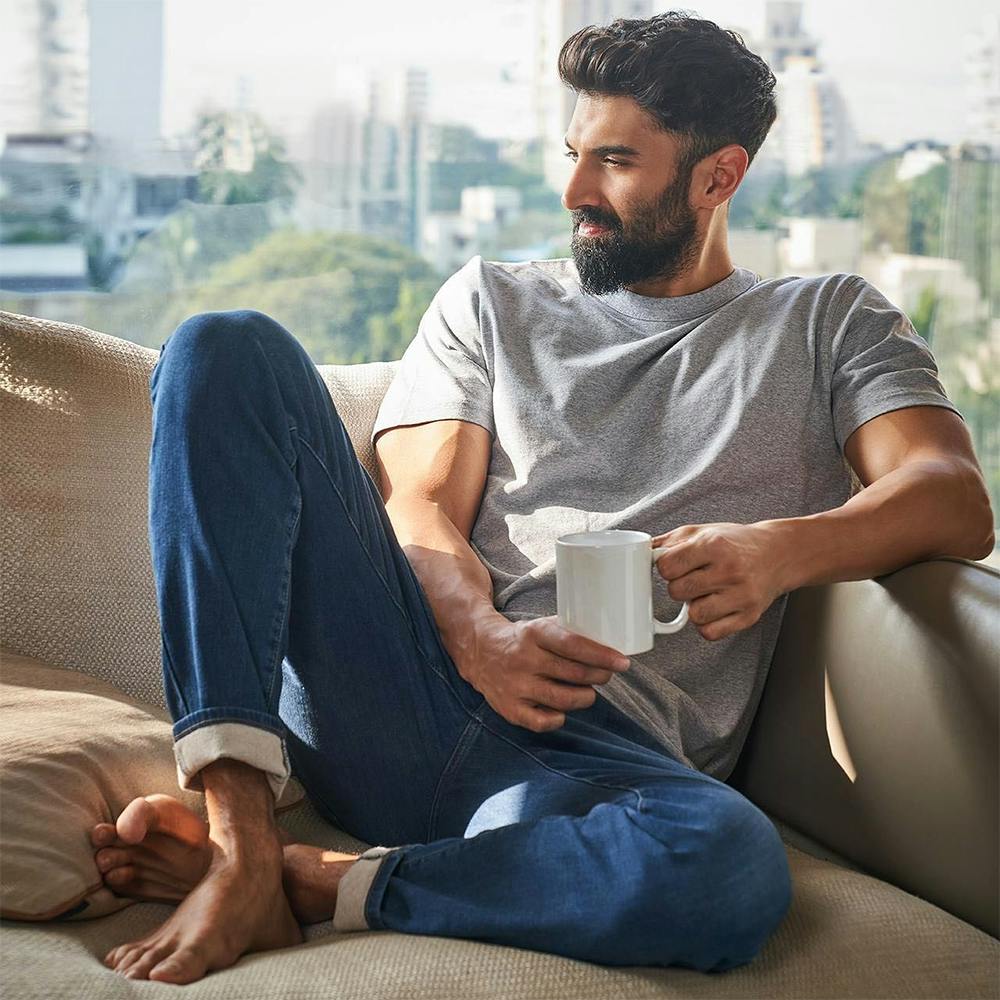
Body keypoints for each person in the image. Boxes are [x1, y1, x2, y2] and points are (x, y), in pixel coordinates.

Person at [89, 11, 994, 986]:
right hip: (405, 688)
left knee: (728, 863)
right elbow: (421, 504)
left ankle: (317, 881)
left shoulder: (826, 322)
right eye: (573, 154)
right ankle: (238, 834)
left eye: (614, 161)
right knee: (225, 343)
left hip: (601, 772)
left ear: (718, 176)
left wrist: (778, 551)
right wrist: (478, 634)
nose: (574, 191)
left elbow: (948, 496)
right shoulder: (490, 300)